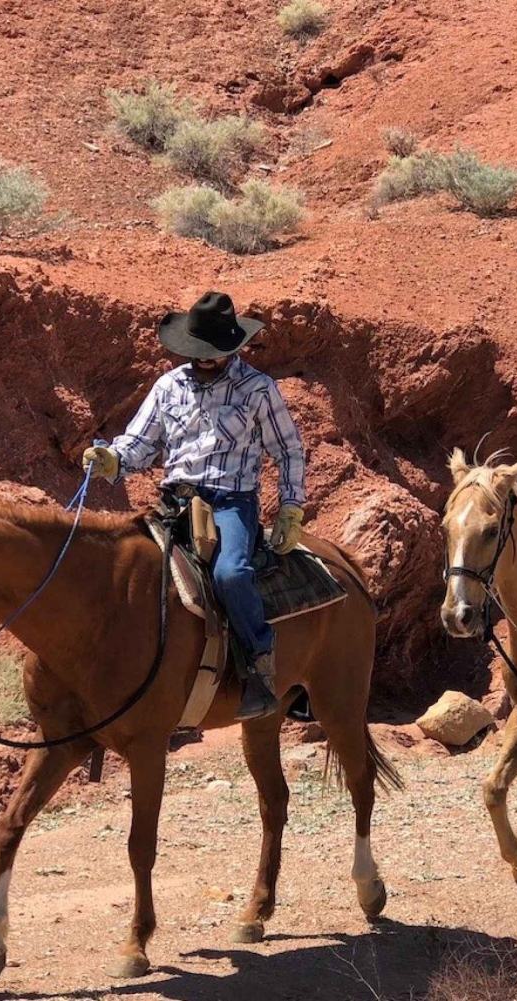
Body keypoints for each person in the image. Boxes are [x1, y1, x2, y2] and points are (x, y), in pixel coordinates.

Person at [82, 292, 307, 720]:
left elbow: (289, 451)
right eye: (197, 352)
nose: (204, 360)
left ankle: (260, 664)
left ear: (235, 347)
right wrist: (112, 457)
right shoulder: (168, 386)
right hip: (172, 504)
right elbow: (140, 444)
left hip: (230, 504)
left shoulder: (259, 390)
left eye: (213, 353)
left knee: (231, 573)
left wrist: (290, 507)